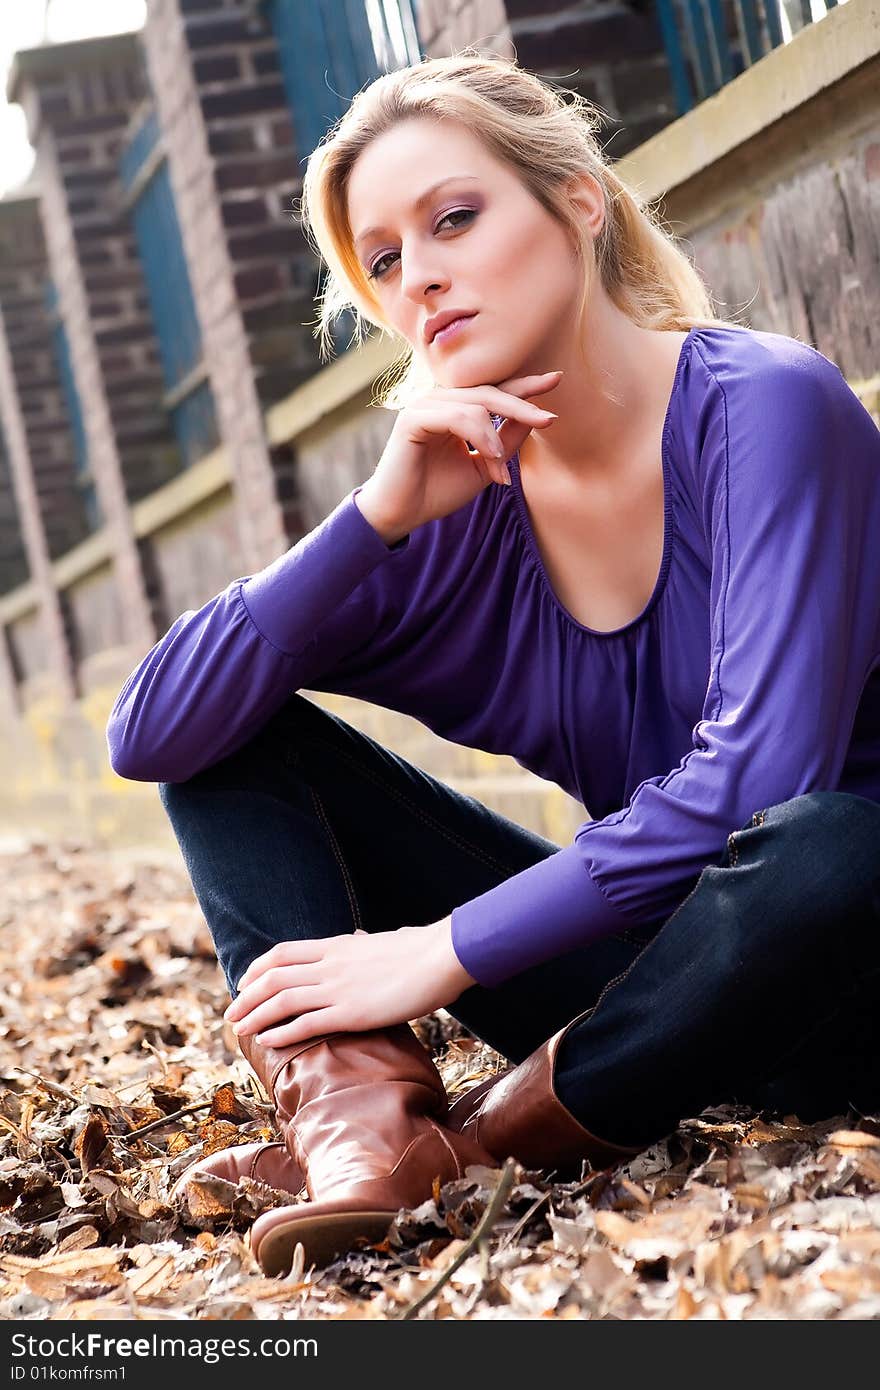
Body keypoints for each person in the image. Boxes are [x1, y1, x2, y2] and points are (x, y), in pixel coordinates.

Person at [106, 54, 880, 1278]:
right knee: (229, 716)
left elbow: (755, 784)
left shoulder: (765, 408)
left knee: (832, 841)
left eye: (454, 218)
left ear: (577, 199)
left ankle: (465, 1147)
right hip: (645, 992)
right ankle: (360, 1124)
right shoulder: (448, 517)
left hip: (837, 966)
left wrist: (436, 949)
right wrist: (371, 516)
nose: (422, 277)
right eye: (384, 261)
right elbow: (151, 730)